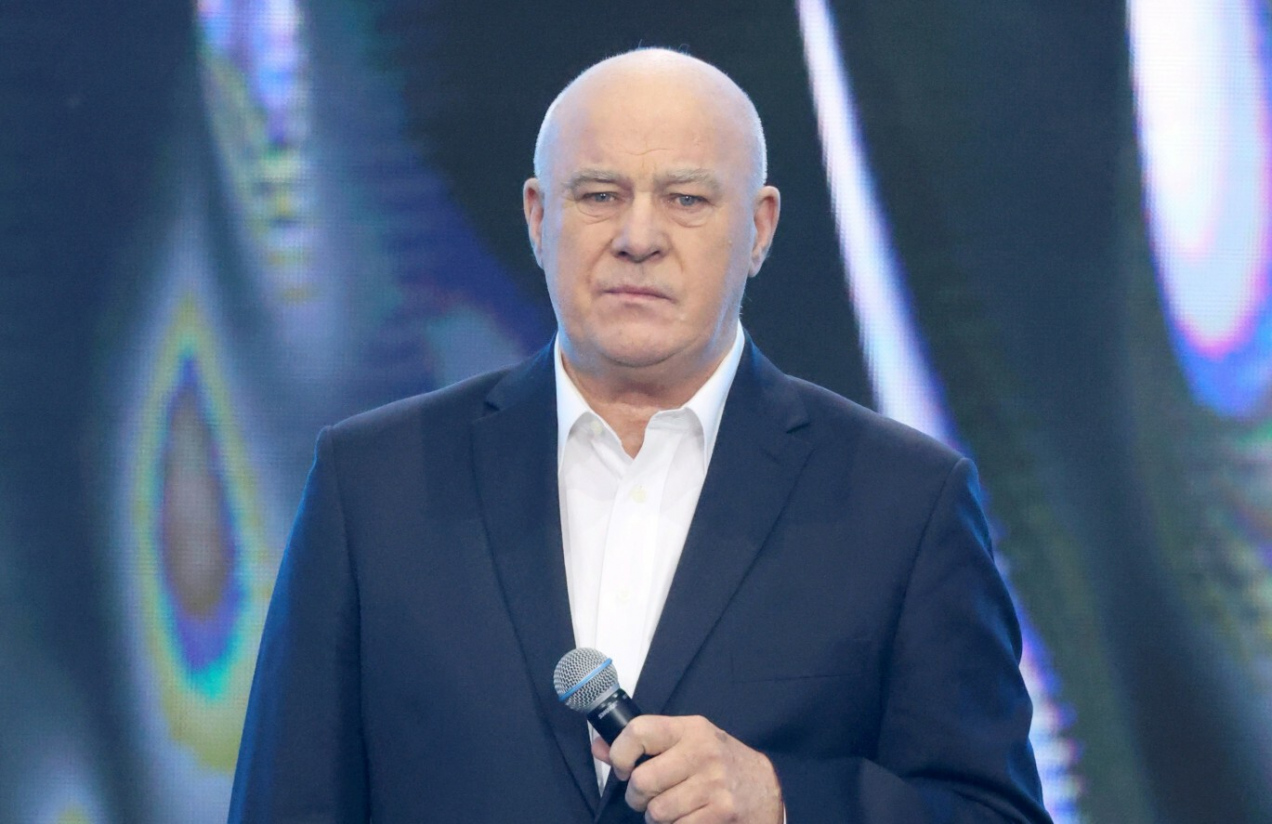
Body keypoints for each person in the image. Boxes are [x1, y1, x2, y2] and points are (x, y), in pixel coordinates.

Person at [228, 48, 1051, 823]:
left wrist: (781, 797)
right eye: (599, 195)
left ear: (760, 228)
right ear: (538, 217)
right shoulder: (372, 485)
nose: (639, 236)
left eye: (687, 199)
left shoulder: (904, 502)